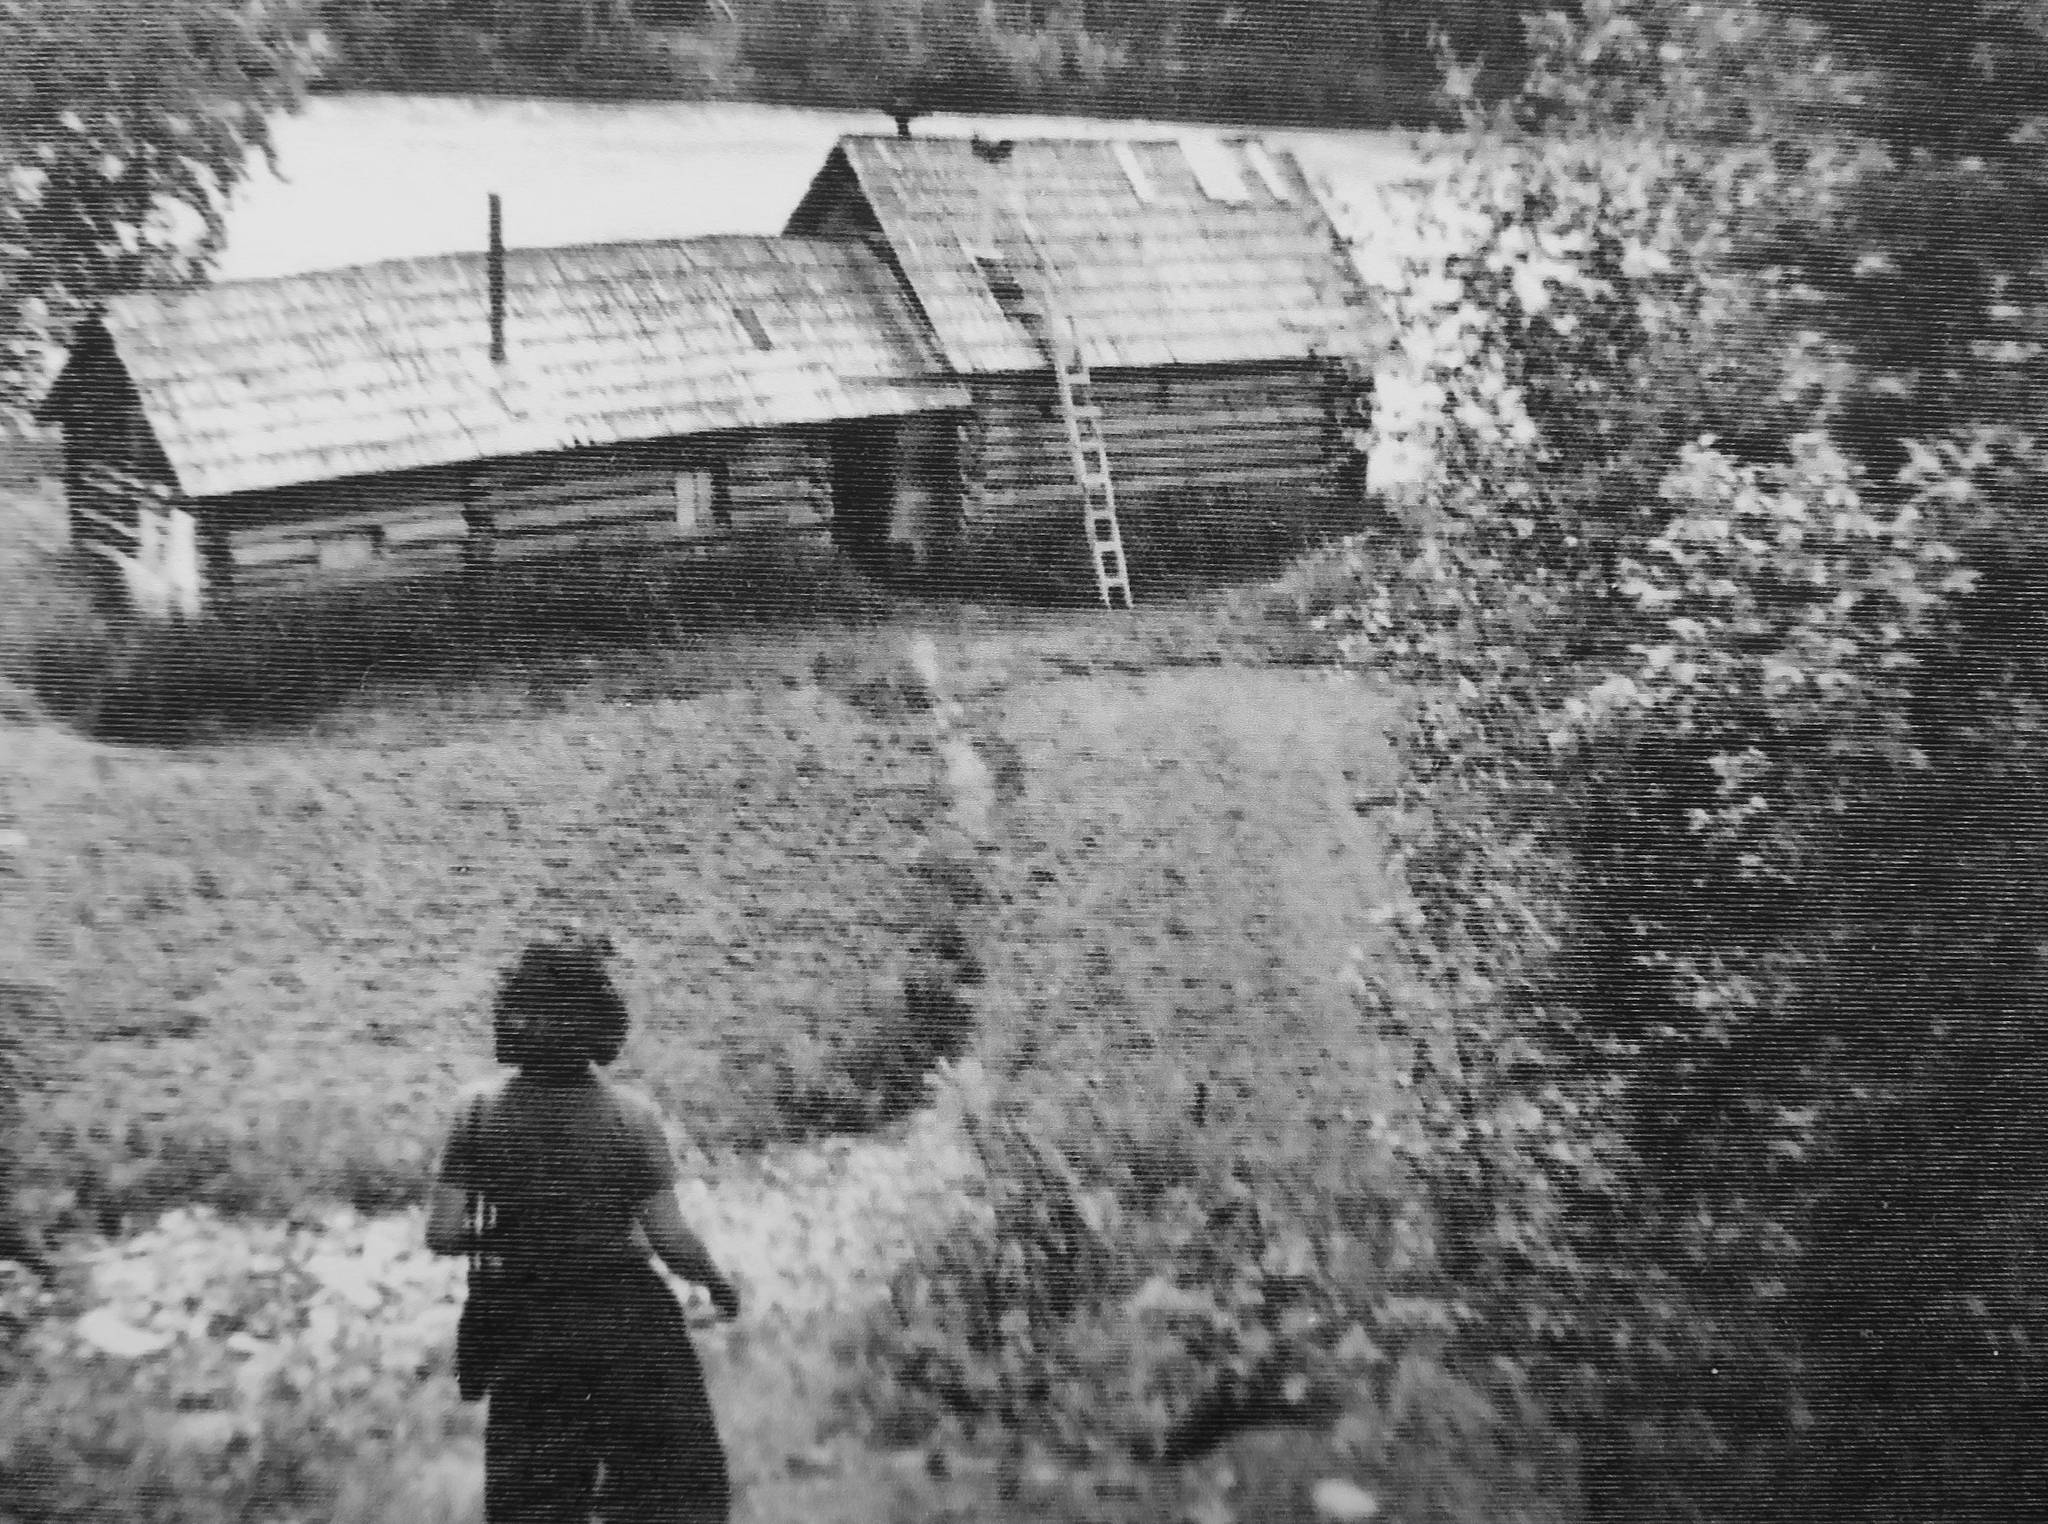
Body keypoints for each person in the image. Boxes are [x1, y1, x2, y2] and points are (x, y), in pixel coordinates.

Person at [426, 932, 741, 1524]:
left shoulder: (475, 1109)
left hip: (526, 1324)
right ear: (601, 1021)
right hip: (629, 1321)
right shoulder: (631, 1115)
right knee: (674, 1496)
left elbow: (442, 1234)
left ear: (513, 1018)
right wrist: (718, 1286)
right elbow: (670, 1238)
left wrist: (515, 1237)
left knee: (534, 1507)